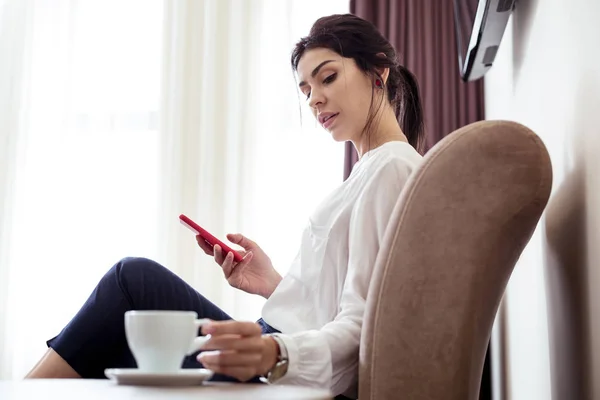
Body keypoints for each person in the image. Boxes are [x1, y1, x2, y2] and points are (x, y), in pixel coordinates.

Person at [25, 13, 425, 399]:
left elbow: (365, 324)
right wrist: (272, 283)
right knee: (122, 324)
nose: (315, 100)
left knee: (131, 281)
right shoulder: (372, 170)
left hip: (282, 365)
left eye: (328, 77)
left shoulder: (391, 167)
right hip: (276, 348)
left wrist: (276, 355)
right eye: (305, 90)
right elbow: (334, 301)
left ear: (379, 71)